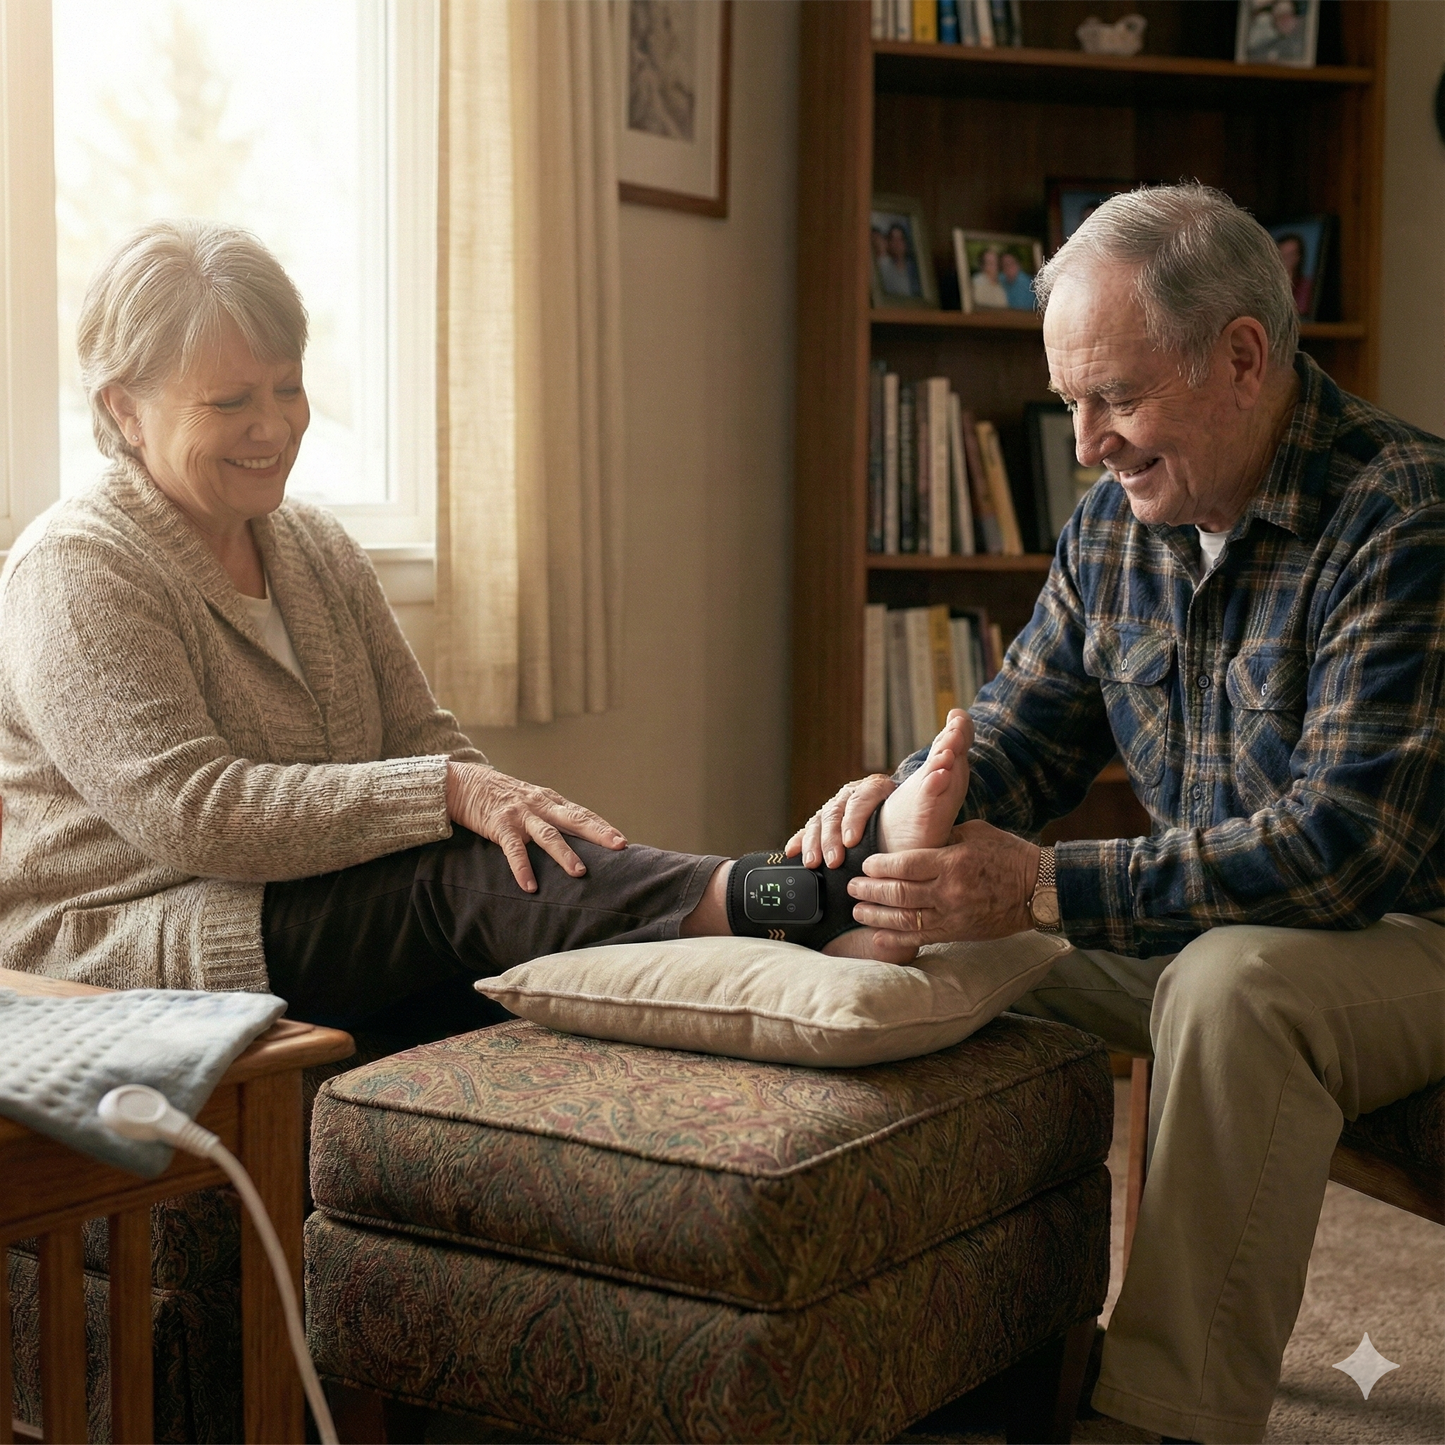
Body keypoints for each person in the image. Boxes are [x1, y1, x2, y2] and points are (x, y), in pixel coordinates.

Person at [792, 184, 1443, 1444]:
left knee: (1230, 988)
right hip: (1202, 923)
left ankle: (1159, 1418)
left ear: (1243, 356)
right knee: (919, 933)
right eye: (1068, 402)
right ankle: (964, 1362)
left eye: (1116, 397)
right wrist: (907, 812)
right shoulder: (1113, 526)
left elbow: (1343, 850)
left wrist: (1040, 884)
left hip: (1407, 933)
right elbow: (1023, 735)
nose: (1084, 440)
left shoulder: (1401, 512)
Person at [0, 219, 968, 1038]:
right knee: (454, 884)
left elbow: (421, 738)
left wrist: (515, 810)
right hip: (135, 936)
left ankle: (788, 913)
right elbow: (193, 811)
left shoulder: (311, 547)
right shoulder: (77, 569)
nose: (274, 425)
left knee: (508, 879)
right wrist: (452, 794)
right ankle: (811, 899)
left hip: (309, 903)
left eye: (287, 387)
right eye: (230, 401)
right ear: (123, 409)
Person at [875, 221, 919, 299]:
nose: (897, 244)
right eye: (893, 239)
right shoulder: (884, 267)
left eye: (900, 239)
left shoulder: (915, 269)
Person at [1274, 231, 1313, 316]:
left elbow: (1301, 314)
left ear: (1299, 257)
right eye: (1283, 255)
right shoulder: (1268, 286)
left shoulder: (1307, 286)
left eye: (1291, 255)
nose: (1286, 261)